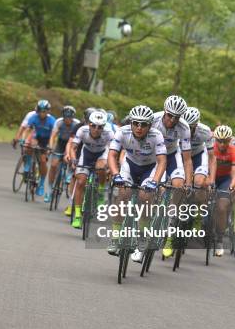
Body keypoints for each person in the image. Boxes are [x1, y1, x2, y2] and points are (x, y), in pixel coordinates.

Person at [108, 105, 167, 260]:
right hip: (130, 165)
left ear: (150, 125)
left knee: (145, 198)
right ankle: (115, 238)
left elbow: (162, 162)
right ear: (131, 122)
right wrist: (115, 175)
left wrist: (155, 182)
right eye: (136, 123)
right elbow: (112, 155)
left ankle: (141, 240)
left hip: (150, 168)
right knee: (123, 195)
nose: (139, 128)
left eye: (144, 124)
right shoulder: (122, 132)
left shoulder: (157, 135)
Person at [152, 95, 192, 258]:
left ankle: (169, 233)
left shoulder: (184, 128)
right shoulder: (153, 119)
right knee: (157, 188)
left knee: (178, 185)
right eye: (169, 115)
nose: (172, 119)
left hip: (172, 155)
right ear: (164, 111)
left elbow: (187, 159)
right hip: (154, 156)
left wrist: (188, 183)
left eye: (176, 117)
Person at [68, 110, 114, 229]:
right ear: (89, 124)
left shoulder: (108, 133)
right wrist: (73, 160)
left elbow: (114, 151)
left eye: (100, 127)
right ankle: (78, 215)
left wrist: (110, 166)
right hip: (86, 154)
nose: (96, 129)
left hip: (101, 154)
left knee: (100, 168)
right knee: (81, 182)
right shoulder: (82, 130)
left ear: (103, 127)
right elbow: (73, 148)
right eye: (93, 126)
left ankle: (101, 190)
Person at [212, 125, 235, 257]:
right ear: (215, 139)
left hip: (225, 180)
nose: (222, 144)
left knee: (222, 207)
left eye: (225, 141)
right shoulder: (211, 146)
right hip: (211, 176)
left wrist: (231, 186)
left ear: (230, 140)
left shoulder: (233, 150)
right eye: (219, 141)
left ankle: (219, 240)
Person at [20, 100, 56, 197]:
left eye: (44, 111)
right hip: (37, 137)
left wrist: (50, 147)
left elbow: (53, 135)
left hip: (46, 141)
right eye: (40, 111)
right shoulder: (33, 118)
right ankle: (27, 166)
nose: (42, 113)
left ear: (48, 112)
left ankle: (41, 183)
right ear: (37, 111)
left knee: (43, 161)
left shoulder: (52, 121)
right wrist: (23, 140)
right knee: (29, 146)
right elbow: (27, 130)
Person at [45, 106, 79, 203]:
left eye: (69, 118)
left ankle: (69, 174)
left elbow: (76, 141)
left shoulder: (76, 124)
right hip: (60, 143)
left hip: (72, 145)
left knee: (71, 160)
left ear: (72, 118)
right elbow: (53, 136)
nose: (67, 120)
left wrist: (70, 152)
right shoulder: (59, 122)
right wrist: (50, 147)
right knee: (54, 165)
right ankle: (50, 189)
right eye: (65, 118)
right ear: (63, 117)